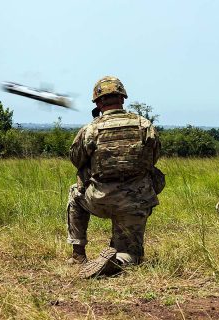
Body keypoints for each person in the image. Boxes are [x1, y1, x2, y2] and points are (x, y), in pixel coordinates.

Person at [66, 76, 163, 278]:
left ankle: (78, 254)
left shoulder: (91, 129)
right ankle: (118, 260)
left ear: (99, 103)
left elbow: (76, 159)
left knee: (75, 193)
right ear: (122, 99)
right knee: (131, 255)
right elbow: (153, 158)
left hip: (99, 199)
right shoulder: (144, 125)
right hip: (136, 201)